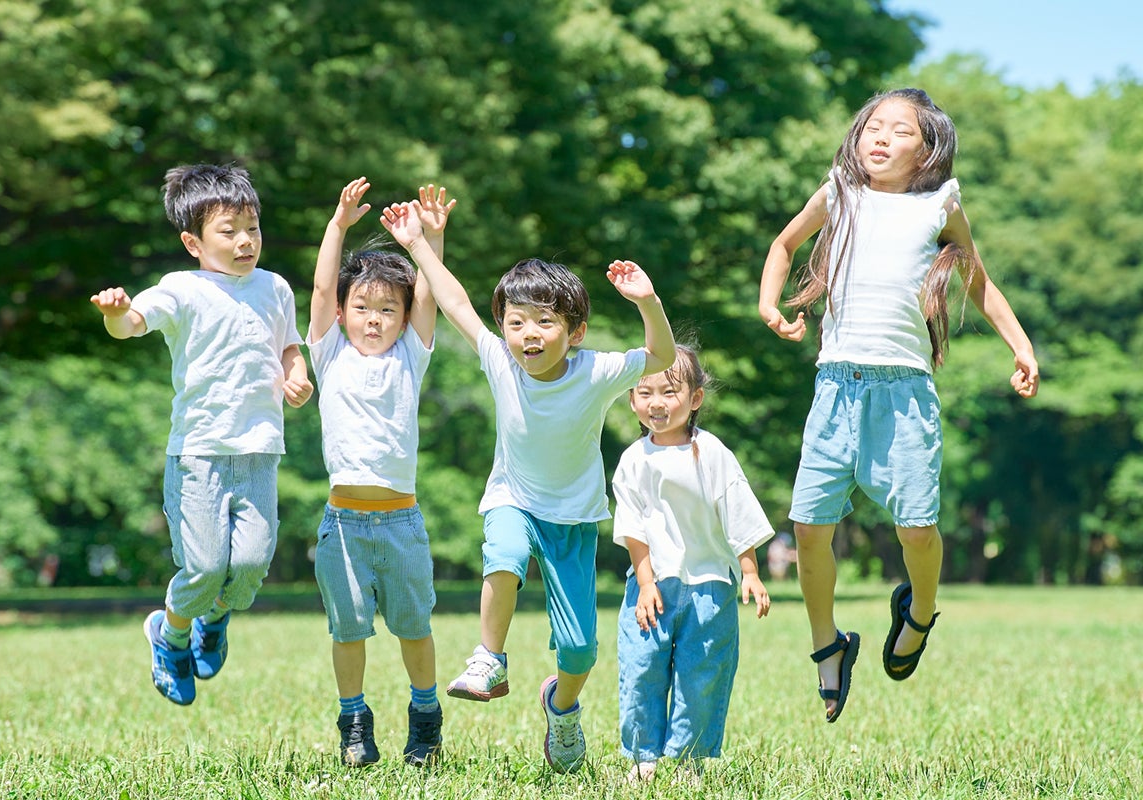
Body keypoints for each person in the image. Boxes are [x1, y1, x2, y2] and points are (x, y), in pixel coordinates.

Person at [757, 88, 1040, 723]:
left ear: (927, 150)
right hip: (835, 386)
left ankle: (919, 611)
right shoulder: (839, 192)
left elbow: (977, 281)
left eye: (900, 131)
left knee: (916, 527)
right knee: (809, 527)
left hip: (905, 394)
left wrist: (1021, 346)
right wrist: (770, 305)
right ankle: (827, 645)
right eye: (872, 127)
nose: (881, 138)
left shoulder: (940, 204)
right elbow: (783, 245)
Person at [381, 197, 677, 774]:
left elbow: (661, 354)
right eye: (516, 322)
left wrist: (647, 301)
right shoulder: (499, 360)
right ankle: (489, 657)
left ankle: (561, 708)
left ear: (575, 331)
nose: (528, 334)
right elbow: (454, 300)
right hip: (512, 498)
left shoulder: (597, 371)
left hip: (573, 518)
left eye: (544, 322)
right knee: (504, 556)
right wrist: (417, 243)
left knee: (580, 650)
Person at [89, 163, 314, 706]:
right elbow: (132, 324)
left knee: (251, 565)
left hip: (259, 449)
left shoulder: (276, 288)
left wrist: (297, 373)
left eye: (252, 228)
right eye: (228, 231)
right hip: (198, 454)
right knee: (206, 566)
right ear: (193, 242)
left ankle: (213, 619)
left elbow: (288, 345)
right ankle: (170, 635)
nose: (245, 241)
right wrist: (115, 313)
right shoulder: (181, 288)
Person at [305, 178, 454, 767]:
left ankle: (425, 717)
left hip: (401, 525)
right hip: (343, 526)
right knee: (348, 632)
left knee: (414, 628)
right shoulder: (329, 353)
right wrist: (337, 225)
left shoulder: (410, 357)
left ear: (403, 318)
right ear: (343, 314)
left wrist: (430, 240)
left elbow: (430, 295)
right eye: (362, 309)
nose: (374, 320)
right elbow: (322, 287)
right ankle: (354, 723)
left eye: (388, 310)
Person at [612, 344, 773, 782]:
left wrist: (750, 571)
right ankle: (643, 756)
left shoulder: (712, 452)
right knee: (641, 669)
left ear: (695, 397)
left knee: (702, 674)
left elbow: (736, 510)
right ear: (632, 400)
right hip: (651, 586)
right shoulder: (633, 460)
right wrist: (645, 582)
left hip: (709, 586)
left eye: (669, 392)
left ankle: (688, 758)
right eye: (645, 392)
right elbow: (633, 529)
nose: (656, 403)